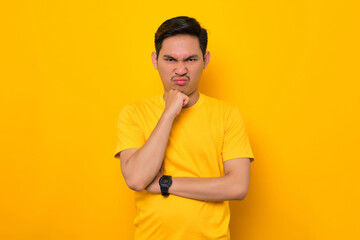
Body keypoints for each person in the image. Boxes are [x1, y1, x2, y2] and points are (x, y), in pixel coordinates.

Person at [114, 16, 254, 240]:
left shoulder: (227, 114)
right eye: (170, 59)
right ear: (155, 59)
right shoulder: (133, 114)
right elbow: (137, 179)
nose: (180, 70)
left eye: (190, 59)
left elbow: (237, 186)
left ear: (205, 60)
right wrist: (169, 113)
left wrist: (164, 183)